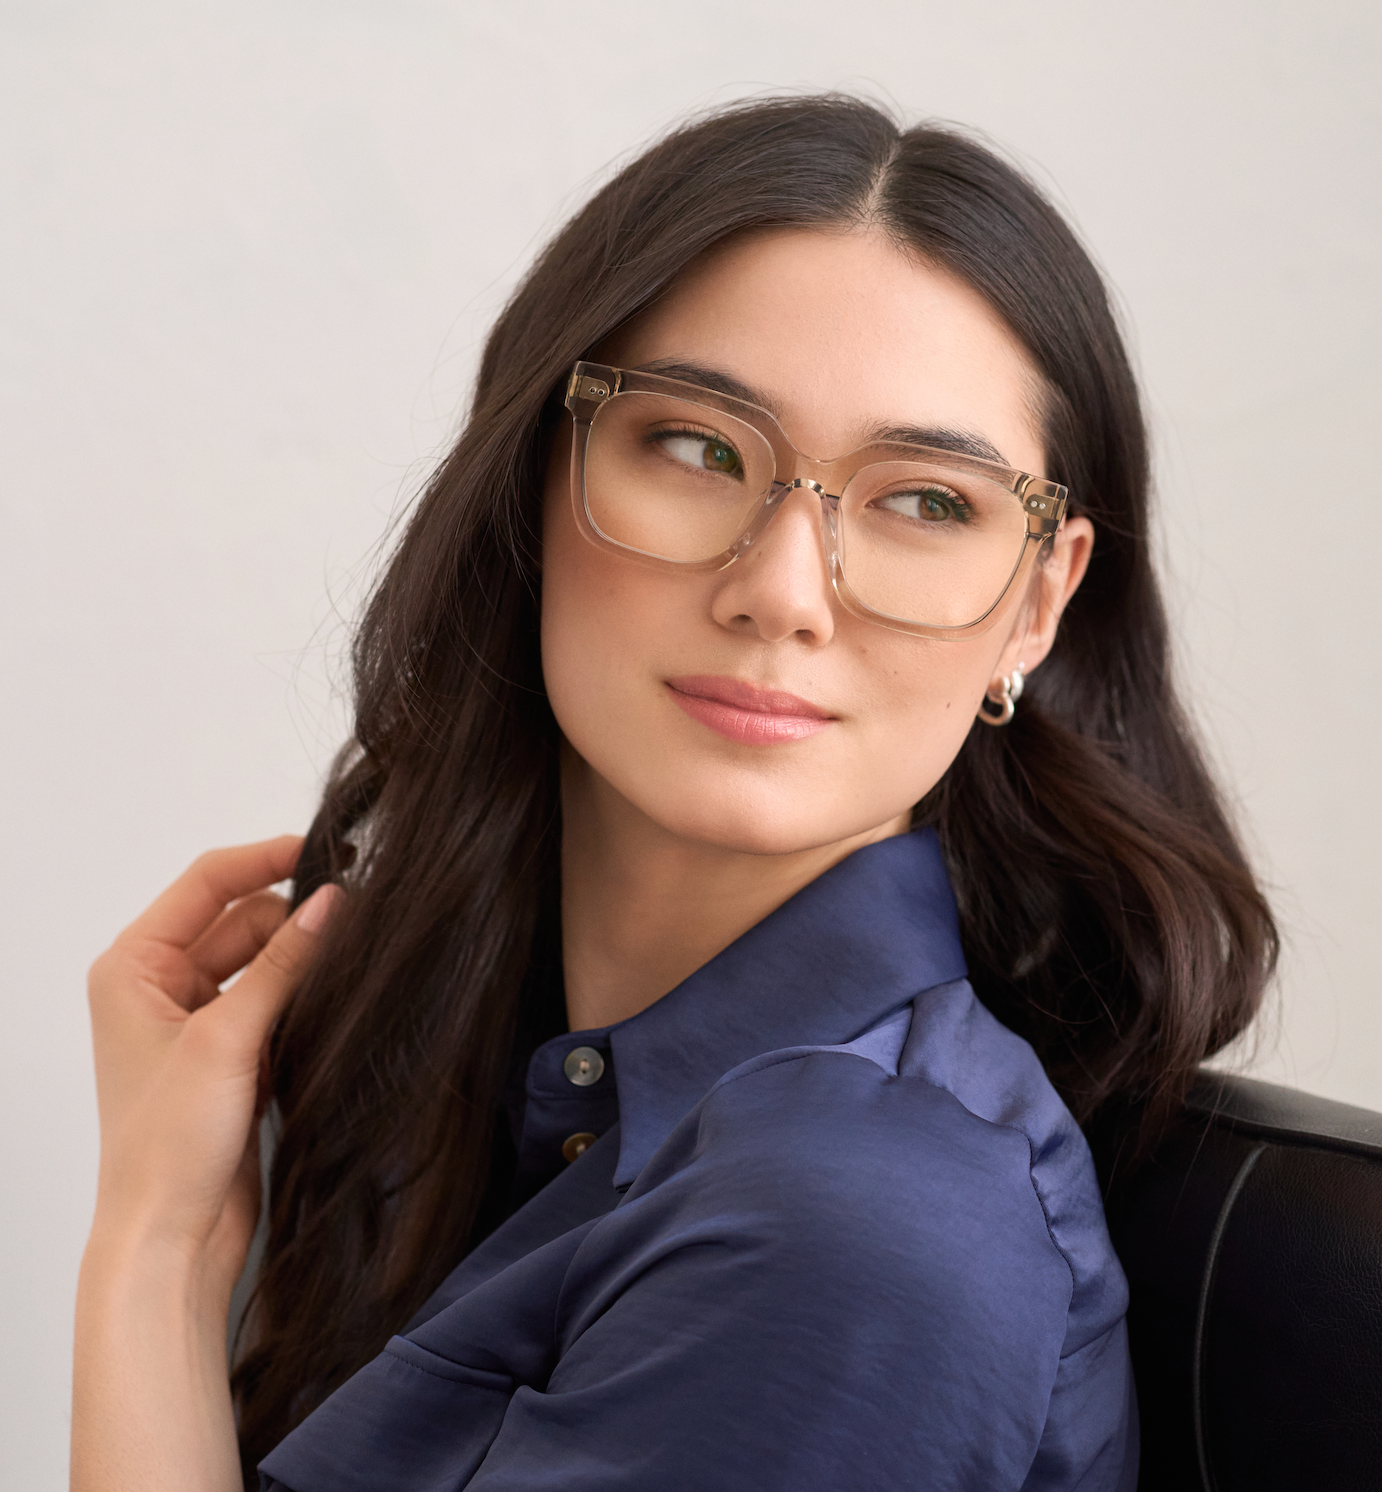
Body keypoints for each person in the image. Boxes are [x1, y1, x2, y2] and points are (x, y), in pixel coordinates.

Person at [71, 96, 1277, 1492]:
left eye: (927, 501)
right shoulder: (451, 1072)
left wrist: (153, 1259)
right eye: (699, 448)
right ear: (538, 476)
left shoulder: (855, 1224)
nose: (778, 592)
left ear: (1036, 605)